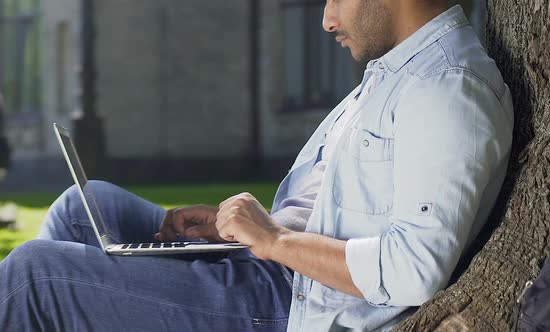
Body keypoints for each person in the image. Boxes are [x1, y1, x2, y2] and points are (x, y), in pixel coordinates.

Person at [0, 1, 514, 331]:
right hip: (277, 269)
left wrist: (274, 241)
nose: (326, 19)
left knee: (31, 276)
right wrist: (246, 231)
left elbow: (414, 269)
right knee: (83, 207)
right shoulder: (398, 70)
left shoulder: (447, 89)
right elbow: (347, 207)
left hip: (287, 306)